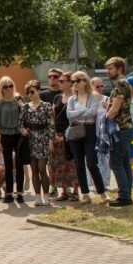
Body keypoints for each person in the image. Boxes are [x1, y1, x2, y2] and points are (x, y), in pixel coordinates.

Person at [66, 71, 109, 204]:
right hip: (75, 130)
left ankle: (102, 193)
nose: (74, 84)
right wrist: (83, 112)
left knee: (91, 163)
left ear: (85, 81)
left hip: (90, 130)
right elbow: (69, 115)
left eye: (77, 81)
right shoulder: (71, 98)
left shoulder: (93, 95)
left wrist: (77, 114)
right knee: (79, 165)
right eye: (72, 82)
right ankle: (85, 194)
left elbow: (93, 111)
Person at [105, 57, 133, 207]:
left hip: (122, 129)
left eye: (110, 68)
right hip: (125, 129)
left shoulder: (121, 83)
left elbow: (115, 110)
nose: (107, 71)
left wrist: (104, 118)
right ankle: (126, 194)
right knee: (123, 163)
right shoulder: (122, 83)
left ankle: (124, 196)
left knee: (115, 163)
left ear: (120, 69)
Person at [20, 80, 54, 206]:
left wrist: (50, 140)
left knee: (42, 169)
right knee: (33, 170)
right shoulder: (25, 107)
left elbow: (51, 124)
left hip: (43, 139)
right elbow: (20, 124)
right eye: (28, 92)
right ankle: (37, 196)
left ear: (39, 90)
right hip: (30, 140)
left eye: (32, 91)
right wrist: (24, 131)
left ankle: (46, 195)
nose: (30, 94)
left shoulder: (46, 106)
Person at [0, 76, 25, 203]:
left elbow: (24, 116)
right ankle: (9, 193)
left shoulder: (18, 99)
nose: (8, 88)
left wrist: (23, 107)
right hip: (5, 135)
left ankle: (20, 193)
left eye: (10, 85)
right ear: (1, 88)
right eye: (5, 86)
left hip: (18, 134)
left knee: (19, 163)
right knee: (8, 164)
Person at [51, 72, 80, 201]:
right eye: (59, 81)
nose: (59, 83)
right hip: (58, 135)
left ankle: (75, 191)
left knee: (73, 163)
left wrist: (68, 135)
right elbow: (52, 116)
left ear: (70, 82)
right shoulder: (57, 97)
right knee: (60, 164)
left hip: (72, 134)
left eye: (62, 81)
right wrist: (53, 134)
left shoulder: (76, 98)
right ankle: (64, 191)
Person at [40, 68, 63, 197]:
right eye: (50, 76)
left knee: (64, 160)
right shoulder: (43, 95)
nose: (52, 79)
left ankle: (66, 187)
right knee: (51, 161)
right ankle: (53, 186)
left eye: (55, 76)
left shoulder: (64, 93)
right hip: (47, 131)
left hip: (61, 131)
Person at [91, 77, 111, 187]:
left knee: (105, 158)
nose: (100, 88)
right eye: (97, 86)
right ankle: (94, 183)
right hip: (91, 133)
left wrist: (107, 107)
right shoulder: (89, 100)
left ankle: (105, 182)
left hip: (104, 134)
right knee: (93, 159)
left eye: (101, 86)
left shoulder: (107, 99)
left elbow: (113, 115)